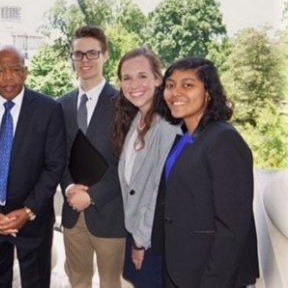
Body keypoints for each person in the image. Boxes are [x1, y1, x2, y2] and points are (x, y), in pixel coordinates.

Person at [0, 45, 66, 287]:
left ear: (25, 72)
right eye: (0, 70)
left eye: (16, 70)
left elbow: (54, 165)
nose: (8, 78)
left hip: (33, 220)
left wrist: (28, 210)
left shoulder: (48, 109)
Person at [157, 57, 259, 287]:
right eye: (170, 85)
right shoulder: (185, 137)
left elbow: (233, 226)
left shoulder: (224, 139)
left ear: (209, 93)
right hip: (181, 268)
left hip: (211, 275)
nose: (175, 92)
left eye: (188, 85)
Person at [58, 25, 126, 288]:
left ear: (105, 55)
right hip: (73, 213)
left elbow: (127, 165)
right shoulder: (61, 105)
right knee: (78, 281)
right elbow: (57, 156)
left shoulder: (124, 104)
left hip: (110, 213)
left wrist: (92, 196)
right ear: (72, 58)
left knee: (111, 283)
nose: (85, 60)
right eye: (78, 54)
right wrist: (68, 188)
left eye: (92, 53)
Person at [111, 48, 181, 288]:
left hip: (152, 239)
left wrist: (140, 241)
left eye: (142, 76)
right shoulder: (136, 120)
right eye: (127, 78)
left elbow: (158, 190)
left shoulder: (167, 127)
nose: (134, 85)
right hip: (137, 233)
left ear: (158, 80)